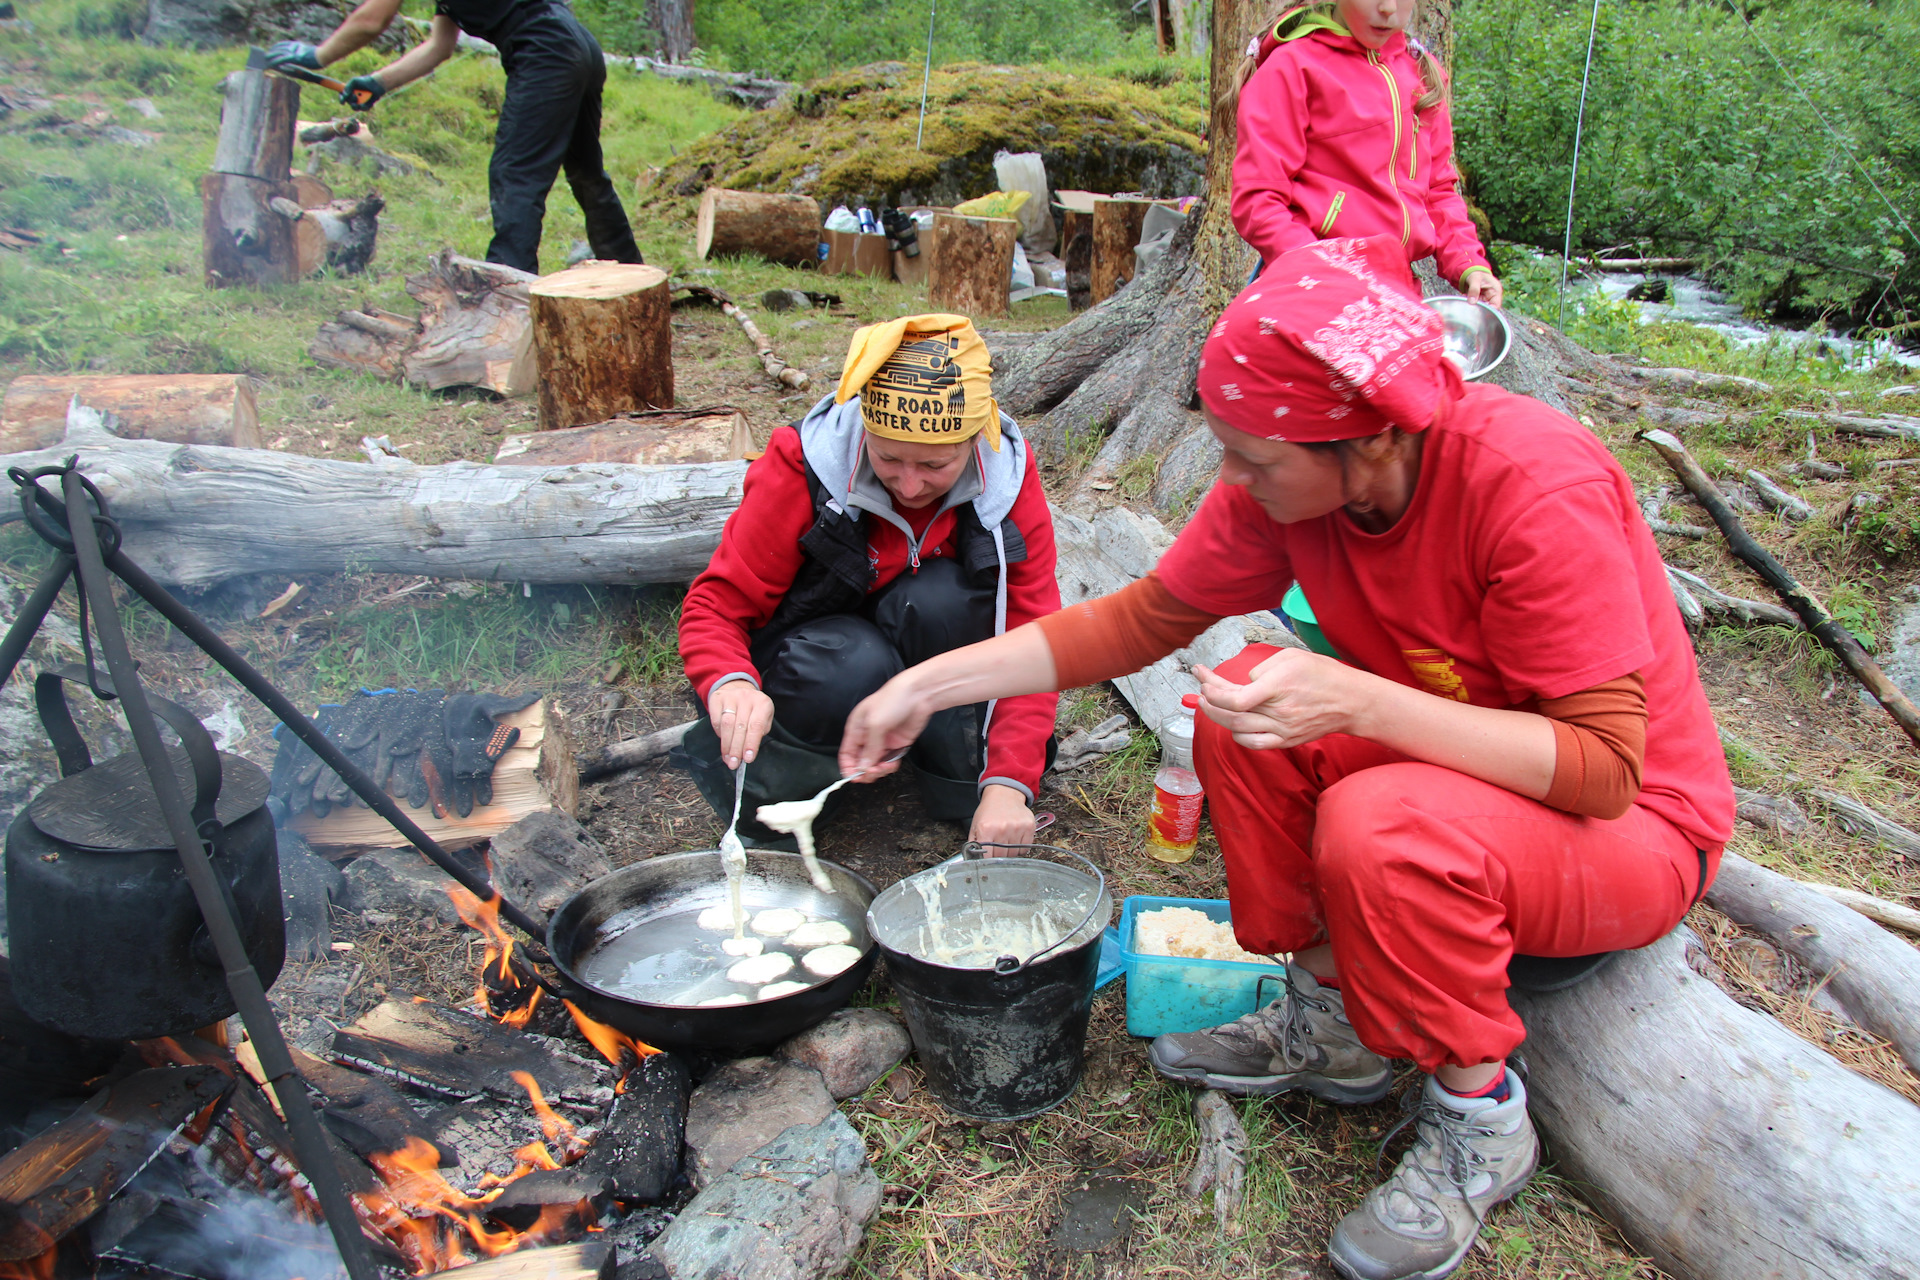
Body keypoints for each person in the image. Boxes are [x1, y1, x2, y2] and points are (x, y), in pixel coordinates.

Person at [838, 239, 1733, 1280]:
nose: (1233, 481)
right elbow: (1144, 617)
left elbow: (1604, 770)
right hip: (1469, 785)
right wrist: (926, 683)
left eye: (1253, 460)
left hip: (1624, 832)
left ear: (1373, 441)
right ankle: (1337, 1021)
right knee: (1241, 708)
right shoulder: (1293, 484)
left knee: (1378, 820)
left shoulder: (1528, 483)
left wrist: (1361, 699)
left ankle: (1483, 1122)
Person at [676, 314, 1059, 849]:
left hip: (911, 638)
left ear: (976, 439)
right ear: (863, 426)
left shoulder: (1006, 482)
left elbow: (1032, 640)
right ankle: (780, 797)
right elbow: (715, 606)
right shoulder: (801, 465)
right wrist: (731, 681)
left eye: (935, 464)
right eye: (887, 458)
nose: (909, 484)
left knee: (944, 601)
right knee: (853, 660)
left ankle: (957, 781)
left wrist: (1009, 784)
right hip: (812, 657)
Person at [263, 0, 643, 274]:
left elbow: (372, 18)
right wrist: (378, 82)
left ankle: (506, 289)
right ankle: (631, 277)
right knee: (586, 173)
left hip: (546, 52)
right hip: (577, 47)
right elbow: (438, 47)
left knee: (515, 175)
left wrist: (318, 55)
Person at [1231, 0, 1503, 306]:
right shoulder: (1293, 66)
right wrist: (1321, 268)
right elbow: (1258, 200)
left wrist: (1470, 264)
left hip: (1395, 293)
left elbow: (1438, 191)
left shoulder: (1422, 75)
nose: (1387, 8)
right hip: (1310, 292)